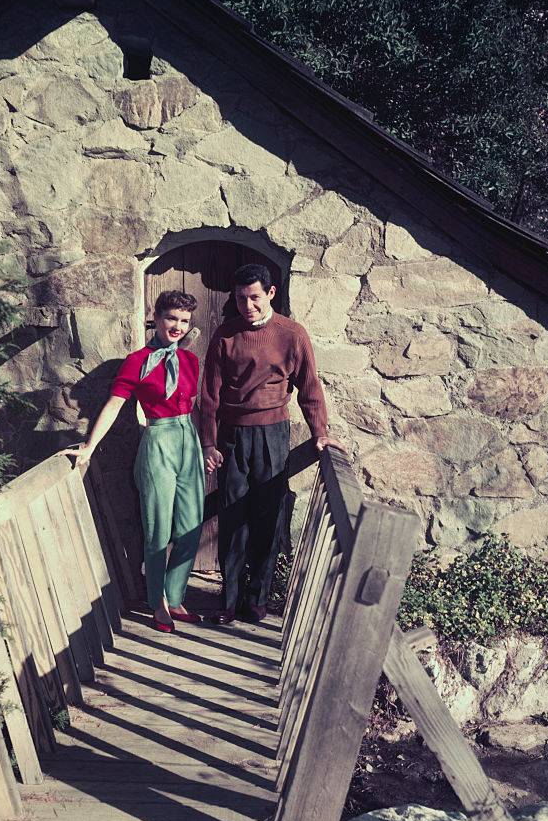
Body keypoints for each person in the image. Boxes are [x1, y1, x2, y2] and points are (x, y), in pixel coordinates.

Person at [200, 263, 345, 625]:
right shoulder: (225, 335)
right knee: (232, 516)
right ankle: (229, 600)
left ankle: (258, 599)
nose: (247, 306)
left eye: (254, 298)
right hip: (232, 436)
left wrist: (320, 431)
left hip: (272, 434)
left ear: (271, 294)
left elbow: (310, 389)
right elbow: (208, 398)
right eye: (240, 299)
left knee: (267, 516)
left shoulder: (292, 334)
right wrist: (208, 443)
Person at [63, 290, 204, 634]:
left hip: (189, 442)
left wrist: (208, 446)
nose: (177, 327)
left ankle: (176, 594)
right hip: (157, 441)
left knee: (191, 527)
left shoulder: (189, 361)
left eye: (184, 321)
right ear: (156, 317)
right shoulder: (137, 360)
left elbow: (198, 405)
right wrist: (89, 447)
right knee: (157, 528)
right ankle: (157, 601)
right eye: (171, 318)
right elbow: (113, 406)